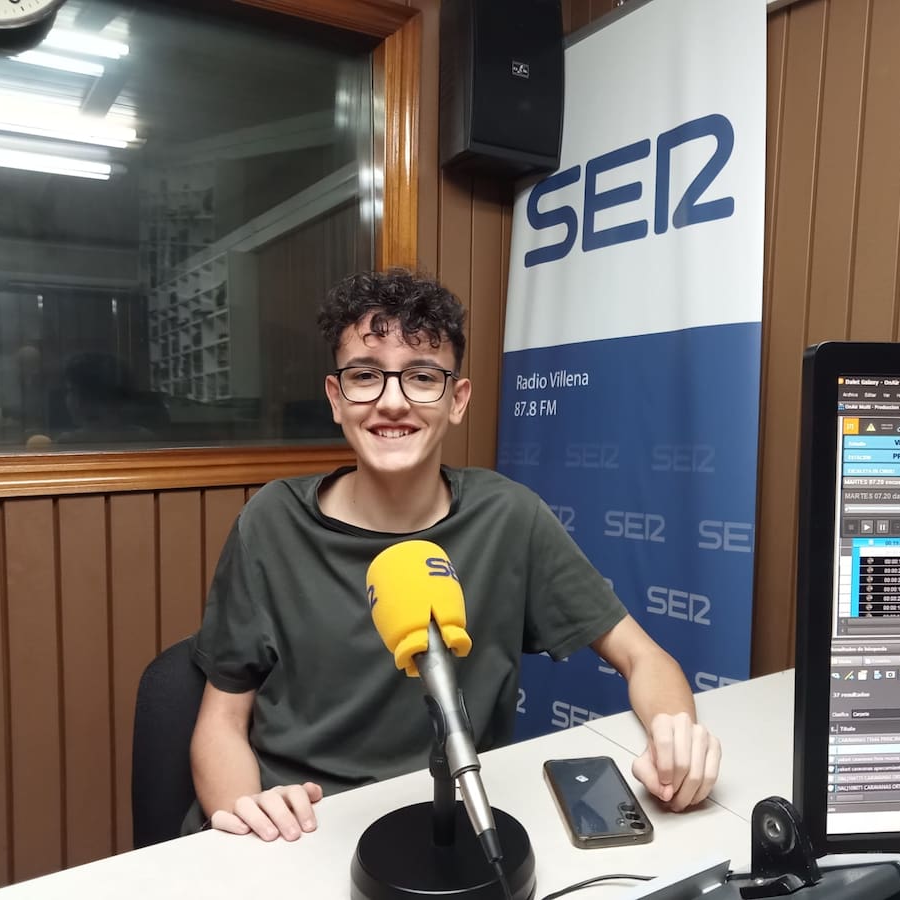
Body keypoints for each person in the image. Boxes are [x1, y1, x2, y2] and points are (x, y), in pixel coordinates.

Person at [188, 268, 722, 841]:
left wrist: (676, 740)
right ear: (336, 399)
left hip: (458, 824)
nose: (392, 402)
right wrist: (252, 815)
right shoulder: (271, 522)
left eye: (422, 377)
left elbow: (645, 658)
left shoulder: (509, 517)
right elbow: (221, 721)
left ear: (457, 400)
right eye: (365, 376)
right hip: (307, 827)